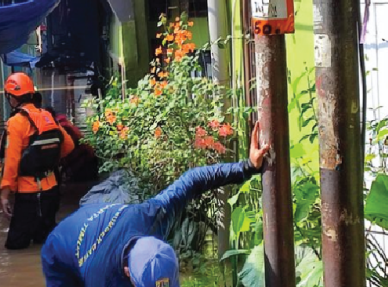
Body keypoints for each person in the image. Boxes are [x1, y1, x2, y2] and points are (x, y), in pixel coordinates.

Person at [41, 123, 272, 287]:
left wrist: (247, 166)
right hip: (60, 253)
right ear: (127, 273)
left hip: (100, 222)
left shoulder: (153, 217)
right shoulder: (101, 277)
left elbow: (192, 181)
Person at [0, 73, 75, 250]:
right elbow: (69, 145)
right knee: (44, 242)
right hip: (51, 192)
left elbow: (11, 162)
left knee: (15, 248)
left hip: (28, 194)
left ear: (11, 98)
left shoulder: (15, 122)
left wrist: (4, 195)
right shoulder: (47, 116)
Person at [45, 107, 98, 183]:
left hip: (84, 160)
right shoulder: (63, 123)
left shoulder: (63, 127)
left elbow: (71, 148)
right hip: (84, 158)